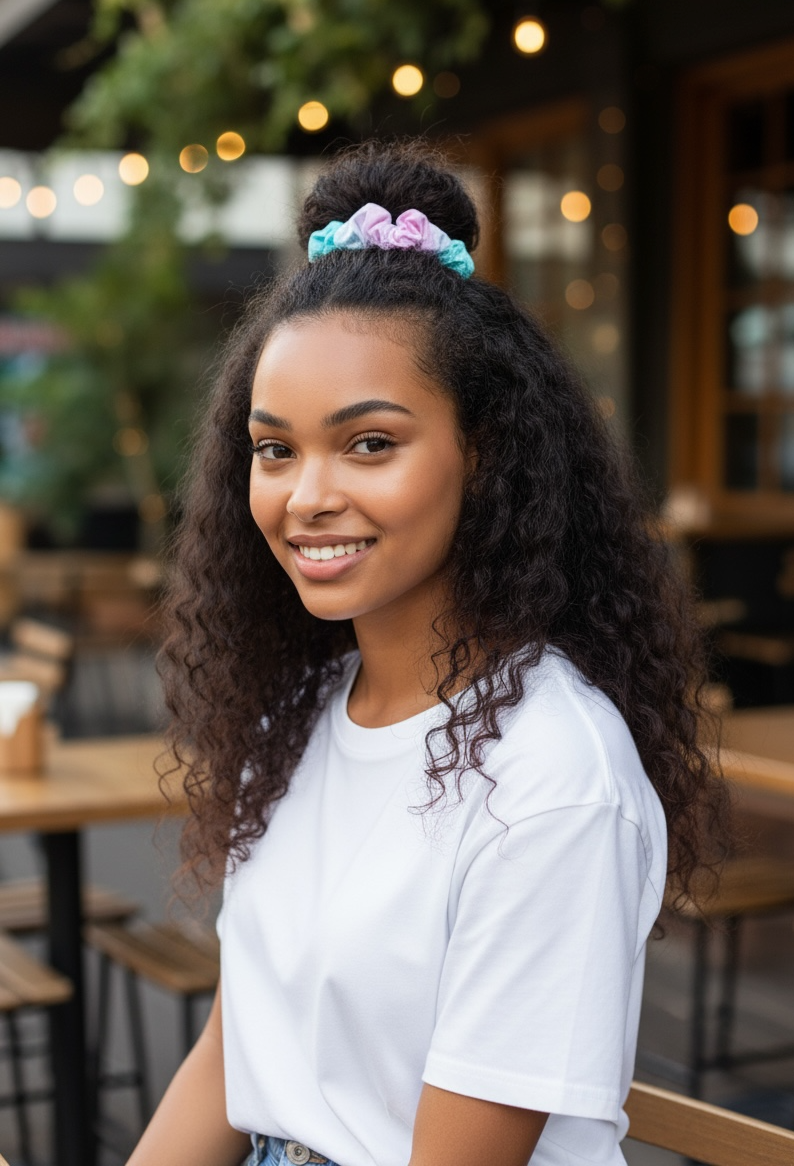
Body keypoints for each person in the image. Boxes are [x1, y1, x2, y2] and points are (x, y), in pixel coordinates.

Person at [128, 141, 725, 1166]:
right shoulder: (299, 710)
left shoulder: (549, 779)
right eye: (275, 449)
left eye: (369, 443)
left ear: (482, 452)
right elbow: (236, 1052)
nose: (305, 495)